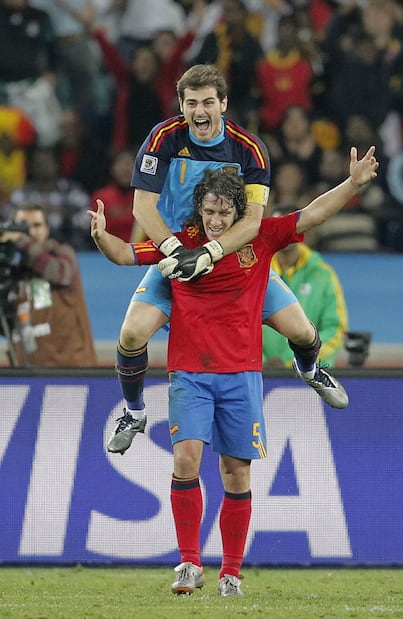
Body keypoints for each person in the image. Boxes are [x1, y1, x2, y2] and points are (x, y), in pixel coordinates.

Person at [88, 150, 378, 595]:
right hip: (189, 373)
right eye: (210, 212)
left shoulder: (258, 237)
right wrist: (102, 236)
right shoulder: (181, 242)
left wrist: (354, 184)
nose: (217, 221)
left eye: (225, 213)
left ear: (239, 212)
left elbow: (312, 214)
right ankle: (188, 564)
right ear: (199, 210)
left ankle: (231, 573)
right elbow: (127, 254)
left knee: (235, 474)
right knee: (185, 462)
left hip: (242, 374)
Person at [103, 63, 348, 457]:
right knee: (131, 334)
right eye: (191, 103)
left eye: (208, 102)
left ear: (224, 104)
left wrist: (210, 252)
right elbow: (143, 207)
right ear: (181, 105)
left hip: (238, 263)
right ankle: (133, 413)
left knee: (303, 333)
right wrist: (177, 252)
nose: (200, 111)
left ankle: (310, 369)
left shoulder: (249, 149)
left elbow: (252, 222)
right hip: (177, 254)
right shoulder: (163, 137)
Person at [0, 203, 97, 366]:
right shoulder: (14, 272)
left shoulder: (62, 254)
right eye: (22, 226)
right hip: (28, 374)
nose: (30, 232)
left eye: (36, 225)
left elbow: (59, 274)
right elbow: (7, 327)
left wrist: (23, 242)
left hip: (72, 372)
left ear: (47, 229)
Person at [263, 240, 348, 368]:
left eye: (289, 220)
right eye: (279, 219)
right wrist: (260, 361)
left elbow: (335, 330)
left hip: (311, 373)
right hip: (261, 372)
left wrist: (293, 361)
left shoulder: (324, 275)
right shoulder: (255, 272)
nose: (286, 228)